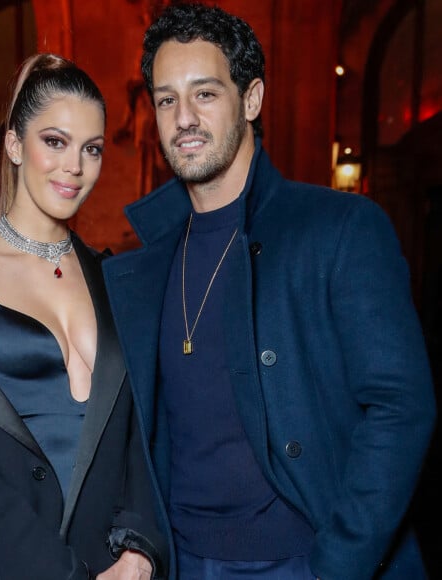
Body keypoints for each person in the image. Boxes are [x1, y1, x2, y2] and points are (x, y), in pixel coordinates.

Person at [102, 4, 436, 580]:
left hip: (304, 562)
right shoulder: (143, 266)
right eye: (165, 99)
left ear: (251, 100)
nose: (183, 118)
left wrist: (338, 564)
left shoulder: (341, 228)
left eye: (205, 94)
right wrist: (137, 541)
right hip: (180, 563)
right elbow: (143, 434)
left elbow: (401, 407)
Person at [0, 54, 170, 579]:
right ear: (13, 145)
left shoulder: (112, 278)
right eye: (55, 141)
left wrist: (140, 550)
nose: (75, 166)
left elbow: (141, 435)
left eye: (91, 149)